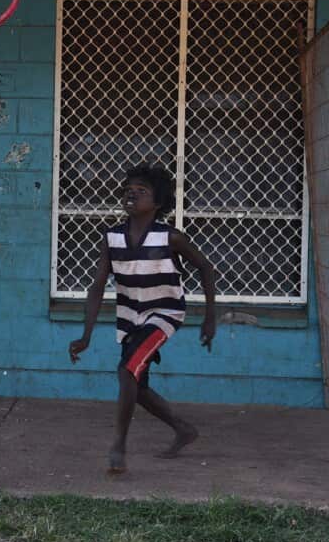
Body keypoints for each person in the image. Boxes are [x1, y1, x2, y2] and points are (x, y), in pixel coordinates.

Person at [68, 163, 218, 475]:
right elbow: (97, 287)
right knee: (137, 385)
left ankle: (118, 446)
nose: (131, 194)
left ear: (158, 202)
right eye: (127, 190)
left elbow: (205, 267)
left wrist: (209, 318)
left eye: (141, 191)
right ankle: (183, 428)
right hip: (129, 318)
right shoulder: (112, 238)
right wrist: (86, 334)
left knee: (126, 371)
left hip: (164, 314)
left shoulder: (170, 238)